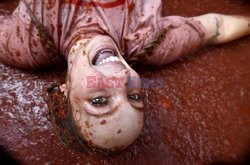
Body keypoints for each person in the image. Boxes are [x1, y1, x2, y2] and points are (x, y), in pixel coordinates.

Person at [0, 0, 249, 153]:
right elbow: (217, 28)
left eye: (99, 102)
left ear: (65, 91)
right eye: (134, 95)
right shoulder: (153, 42)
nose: (121, 79)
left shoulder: (24, 42)